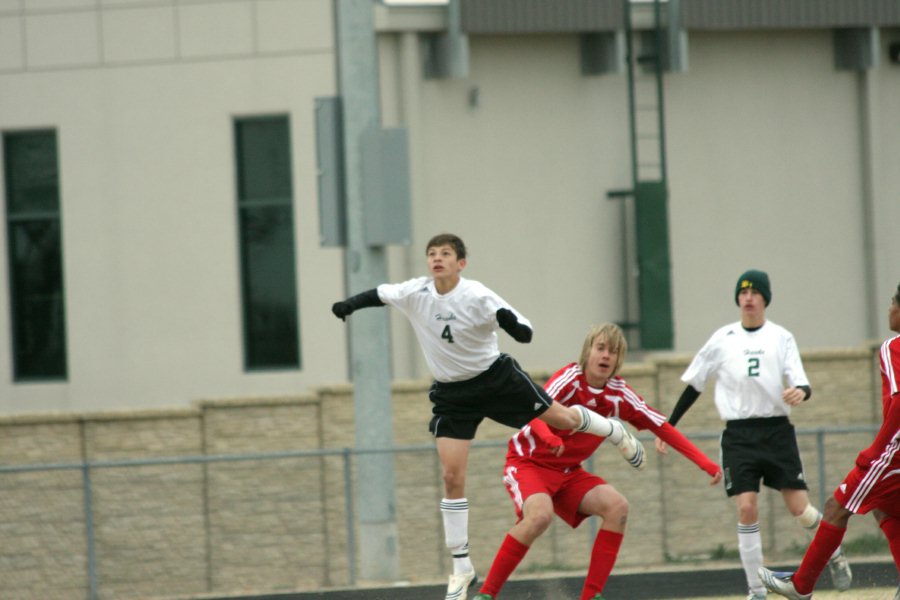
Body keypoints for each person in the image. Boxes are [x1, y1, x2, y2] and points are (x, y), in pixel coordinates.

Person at [330, 233, 644, 600]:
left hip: (496, 380)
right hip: (453, 394)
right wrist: (348, 305)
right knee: (451, 476)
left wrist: (513, 325)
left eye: (445, 254)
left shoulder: (476, 295)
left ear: (461, 263)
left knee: (564, 419)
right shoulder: (416, 292)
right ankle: (462, 568)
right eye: (431, 254)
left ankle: (613, 430)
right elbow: (380, 293)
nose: (437, 259)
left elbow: (518, 323)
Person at [473, 323, 723, 600]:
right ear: (587, 352)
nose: (606, 356)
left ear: (618, 360)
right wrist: (549, 438)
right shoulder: (569, 379)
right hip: (528, 462)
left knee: (618, 507)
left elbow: (661, 426)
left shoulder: (618, 393)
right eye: (600, 348)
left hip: (568, 472)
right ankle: (487, 594)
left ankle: (591, 596)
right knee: (540, 516)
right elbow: (533, 409)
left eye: (613, 351)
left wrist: (705, 463)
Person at [655, 269, 853, 600]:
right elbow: (695, 385)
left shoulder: (781, 337)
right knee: (746, 507)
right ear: (737, 299)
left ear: (765, 299)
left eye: (754, 292)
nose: (748, 297)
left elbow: (802, 383)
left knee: (799, 508)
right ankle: (756, 590)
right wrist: (668, 425)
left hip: (776, 432)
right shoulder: (722, 339)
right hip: (738, 436)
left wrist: (801, 392)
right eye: (743, 292)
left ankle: (834, 553)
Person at [758, 282, 900, 600]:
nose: (889, 307)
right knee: (886, 508)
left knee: (836, 508)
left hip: (893, 455)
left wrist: (876, 453)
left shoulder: (894, 348)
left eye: (893, 301)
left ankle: (801, 586)